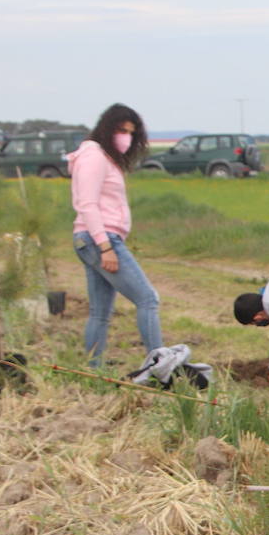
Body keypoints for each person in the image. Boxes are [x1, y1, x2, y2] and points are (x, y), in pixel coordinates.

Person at [70, 103, 162, 367]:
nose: (126, 137)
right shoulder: (94, 156)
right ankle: (161, 365)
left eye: (131, 133)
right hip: (99, 239)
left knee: (100, 313)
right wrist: (105, 246)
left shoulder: (103, 158)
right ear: (107, 128)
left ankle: (94, 370)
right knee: (147, 299)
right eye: (121, 130)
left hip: (96, 239)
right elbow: (87, 204)